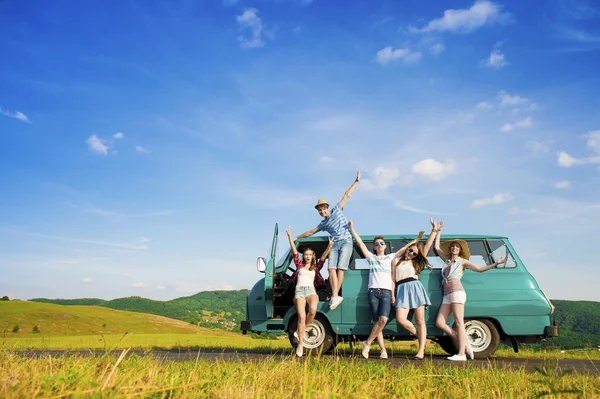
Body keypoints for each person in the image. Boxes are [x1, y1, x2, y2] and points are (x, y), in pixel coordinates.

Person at [433, 221, 507, 361]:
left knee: (459, 322)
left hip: (456, 292)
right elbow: (436, 247)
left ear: (460, 250)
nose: (454, 248)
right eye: (452, 246)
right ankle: (465, 343)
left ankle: (461, 354)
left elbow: (479, 269)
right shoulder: (447, 260)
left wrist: (496, 263)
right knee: (440, 323)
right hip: (447, 294)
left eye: (457, 247)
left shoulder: (462, 262)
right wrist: (438, 231)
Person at [295, 170, 361, 310]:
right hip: (334, 244)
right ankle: (335, 296)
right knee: (331, 269)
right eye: (320, 211)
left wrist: (356, 182)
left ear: (327, 208)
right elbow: (311, 232)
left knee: (340, 269)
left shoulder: (337, 209)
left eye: (324, 209)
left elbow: (347, 195)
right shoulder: (323, 224)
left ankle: (335, 295)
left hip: (346, 241)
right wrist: (297, 236)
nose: (322, 212)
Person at [348, 220, 412, 360]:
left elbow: (405, 248)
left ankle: (367, 342)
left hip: (386, 292)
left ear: (385, 246)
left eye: (382, 243)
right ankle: (383, 350)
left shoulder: (390, 257)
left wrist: (418, 239)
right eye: (376, 244)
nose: (379, 245)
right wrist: (352, 229)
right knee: (377, 321)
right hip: (372, 292)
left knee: (383, 319)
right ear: (375, 248)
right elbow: (360, 243)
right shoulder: (371, 258)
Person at [391, 218, 438, 360]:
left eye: (414, 253)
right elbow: (393, 279)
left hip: (415, 288)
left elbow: (428, 246)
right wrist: (393, 295)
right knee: (400, 319)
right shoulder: (395, 260)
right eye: (410, 250)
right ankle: (420, 337)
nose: (411, 253)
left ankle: (420, 351)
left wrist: (434, 231)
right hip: (401, 289)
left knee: (420, 321)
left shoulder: (416, 262)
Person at [286, 226, 333, 357]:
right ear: (304, 256)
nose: (307, 256)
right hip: (299, 292)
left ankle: (300, 330)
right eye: (306, 255)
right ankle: (300, 344)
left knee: (312, 311)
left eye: (310, 255)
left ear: (313, 256)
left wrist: (329, 246)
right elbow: (294, 250)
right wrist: (290, 235)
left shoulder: (316, 267)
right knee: (301, 316)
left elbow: (323, 257)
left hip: (311, 291)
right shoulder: (299, 265)